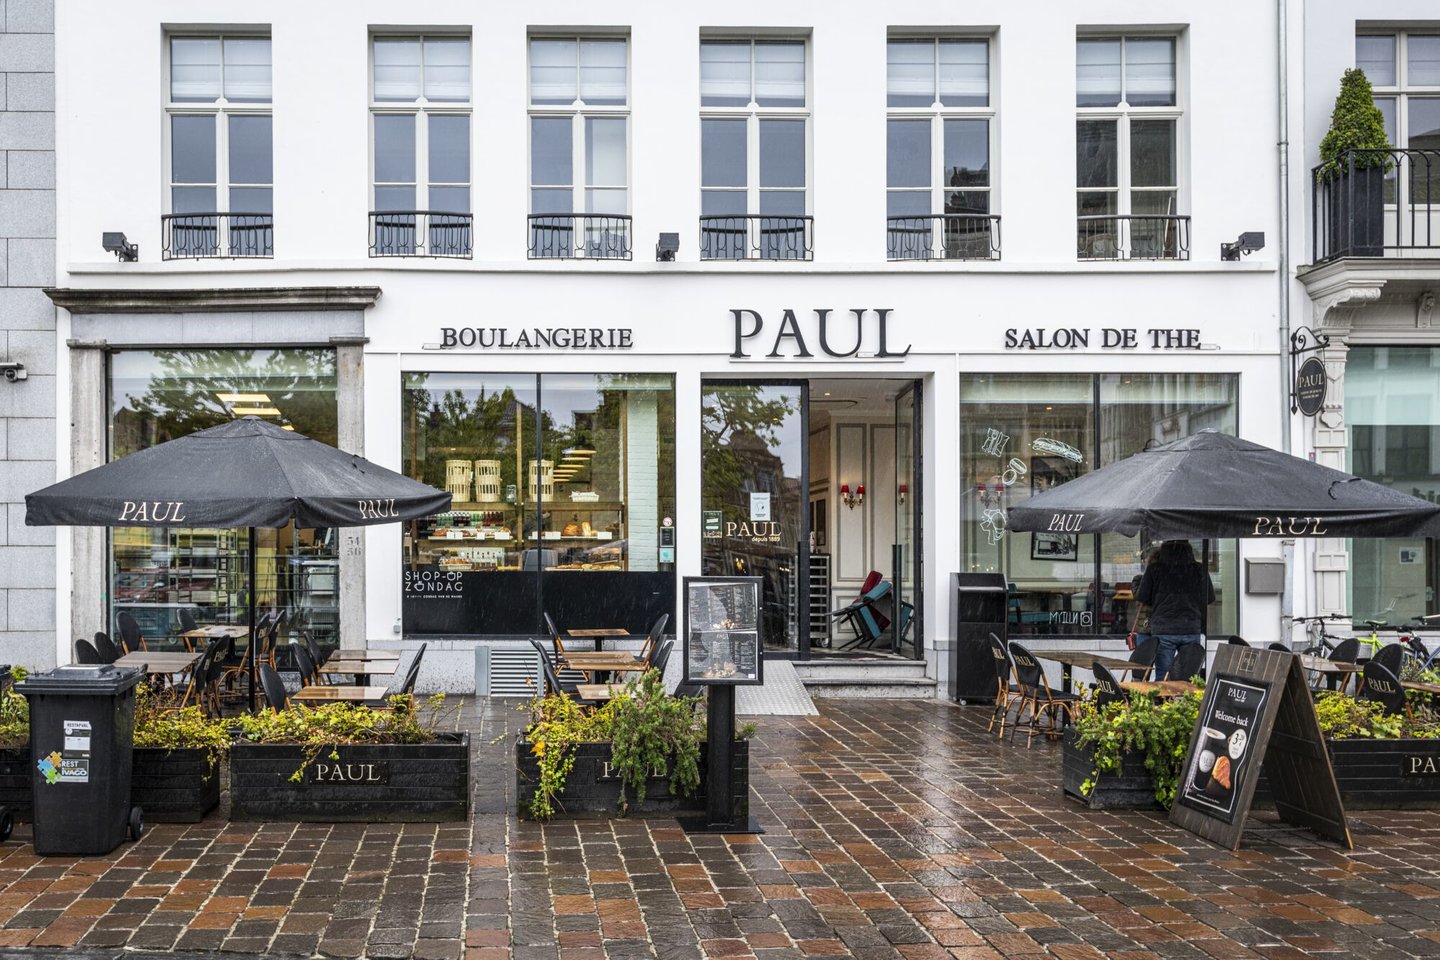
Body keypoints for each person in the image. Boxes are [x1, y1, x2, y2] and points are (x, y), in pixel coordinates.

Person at [1136, 540, 1215, 681]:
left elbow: (1143, 597)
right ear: (1189, 551)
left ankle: (1162, 701)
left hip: (1163, 629)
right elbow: (1209, 598)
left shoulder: (1155, 569)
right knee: (1189, 675)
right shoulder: (1198, 569)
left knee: (1163, 674)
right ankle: (1186, 702)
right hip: (1190, 627)